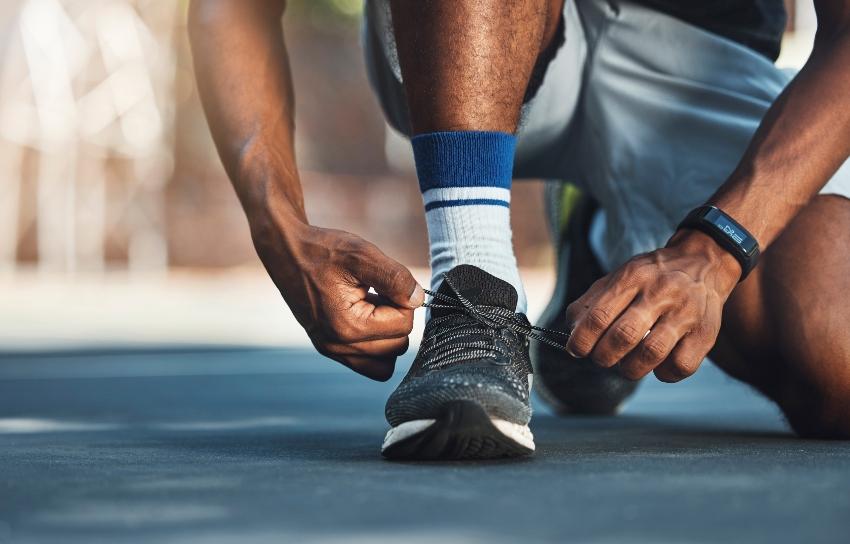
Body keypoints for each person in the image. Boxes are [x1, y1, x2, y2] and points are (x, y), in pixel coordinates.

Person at [189, 0, 850, 460]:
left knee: (835, 357)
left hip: (700, 60)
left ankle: (595, 238)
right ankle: (475, 296)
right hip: (463, 38)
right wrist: (278, 229)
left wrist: (716, 248)